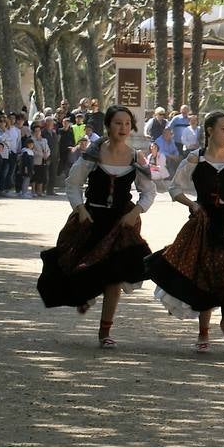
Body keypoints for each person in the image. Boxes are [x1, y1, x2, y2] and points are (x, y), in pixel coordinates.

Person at [38, 105, 157, 348]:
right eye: (117, 123)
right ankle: (85, 295)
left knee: (115, 278)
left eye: (126, 124)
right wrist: (80, 209)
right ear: (108, 126)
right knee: (84, 268)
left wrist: (135, 211)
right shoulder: (93, 154)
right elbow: (73, 184)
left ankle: (105, 332)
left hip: (121, 224)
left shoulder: (136, 157)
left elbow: (149, 191)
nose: (123, 128)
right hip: (92, 219)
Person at [146, 110, 224, 351]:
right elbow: (174, 188)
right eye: (223, 128)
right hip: (203, 220)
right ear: (210, 130)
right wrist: (193, 204)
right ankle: (203, 333)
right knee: (205, 273)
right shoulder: (195, 159)